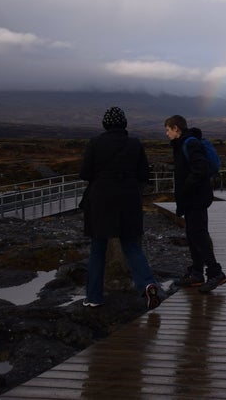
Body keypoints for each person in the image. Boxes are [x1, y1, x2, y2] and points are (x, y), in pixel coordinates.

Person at [79, 106, 161, 309]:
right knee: (131, 245)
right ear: (124, 123)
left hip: (100, 201)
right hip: (129, 199)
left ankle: (94, 297)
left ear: (105, 124)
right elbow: (144, 175)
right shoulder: (135, 144)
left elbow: (84, 173)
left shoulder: (95, 143)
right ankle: (147, 284)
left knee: (98, 248)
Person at [165, 114, 226, 293]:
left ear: (176, 128)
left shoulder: (190, 143)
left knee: (198, 234)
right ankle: (197, 273)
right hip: (192, 198)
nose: (167, 134)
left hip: (196, 198)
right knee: (192, 235)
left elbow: (200, 169)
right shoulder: (182, 144)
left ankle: (216, 273)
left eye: (168, 130)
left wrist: (185, 188)